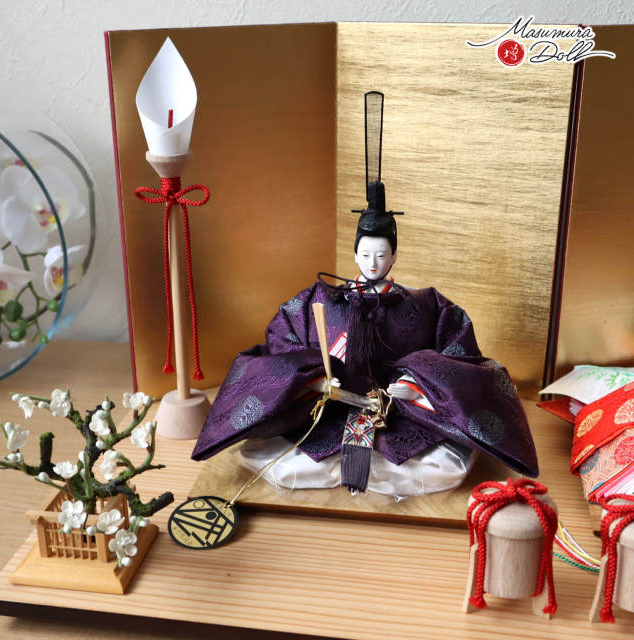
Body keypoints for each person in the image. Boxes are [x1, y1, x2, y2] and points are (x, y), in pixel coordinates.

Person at [191, 92, 538, 497]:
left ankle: (374, 467)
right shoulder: (319, 301)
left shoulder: (427, 306)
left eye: (382, 255)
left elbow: (460, 358)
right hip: (324, 413)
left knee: (439, 471)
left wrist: (419, 386)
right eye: (366, 254)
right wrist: (311, 380)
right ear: (355, 253)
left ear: (395, 255)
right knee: (289, 466)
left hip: (403, 417)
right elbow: (281, 343)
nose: (373, 263)